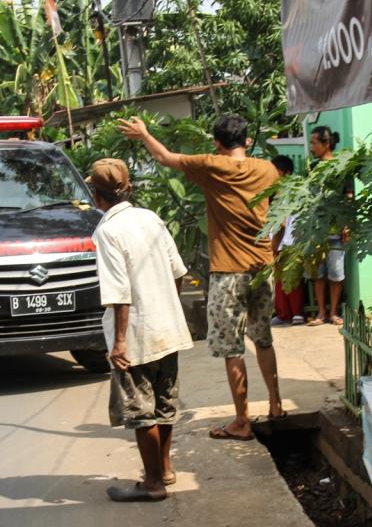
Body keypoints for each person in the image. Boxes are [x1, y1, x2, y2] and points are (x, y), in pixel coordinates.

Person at [118, 114, 285, 441]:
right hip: (263, 268)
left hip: (228, 273)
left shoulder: (212, 166)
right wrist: (274, 251)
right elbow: (278, 216)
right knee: (262, 338)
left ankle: (242, 420)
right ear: (247, 141)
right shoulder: (267, 170)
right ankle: (277, 405)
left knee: (232, 347)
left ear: (218, 143)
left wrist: (144, 133)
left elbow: (164, 157)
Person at [86, 158, 194, 502]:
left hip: (136, 335)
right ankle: (164, 469)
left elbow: (119, 291)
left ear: (96, 194)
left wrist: (119, 342)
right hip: (168, 328)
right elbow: (177, 270)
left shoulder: (107, 231)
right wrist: (167, 307)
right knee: (164, 404)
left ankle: (152, 484)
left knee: (141, 409)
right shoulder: (150, 218)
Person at [307, 126, 351, 326]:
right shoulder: (313, 168)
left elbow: (349, 196)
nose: (311, 147)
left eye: (314, 142)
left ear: (326, 144)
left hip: (335, 227)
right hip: (317, 228)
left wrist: (347, 223)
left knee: (335, 272)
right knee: (318, 274)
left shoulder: (342, 167)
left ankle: (333, 312)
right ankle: (321, 313)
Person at [270, 155, 305, 326]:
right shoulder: (273, 192)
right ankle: (283, 313)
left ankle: (296, 311)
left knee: (292, 276)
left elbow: (284, 220)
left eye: (275, 170)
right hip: (278, 239)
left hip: (291, 239)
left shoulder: (295, 192)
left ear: (286, 173)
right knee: (279, 277)